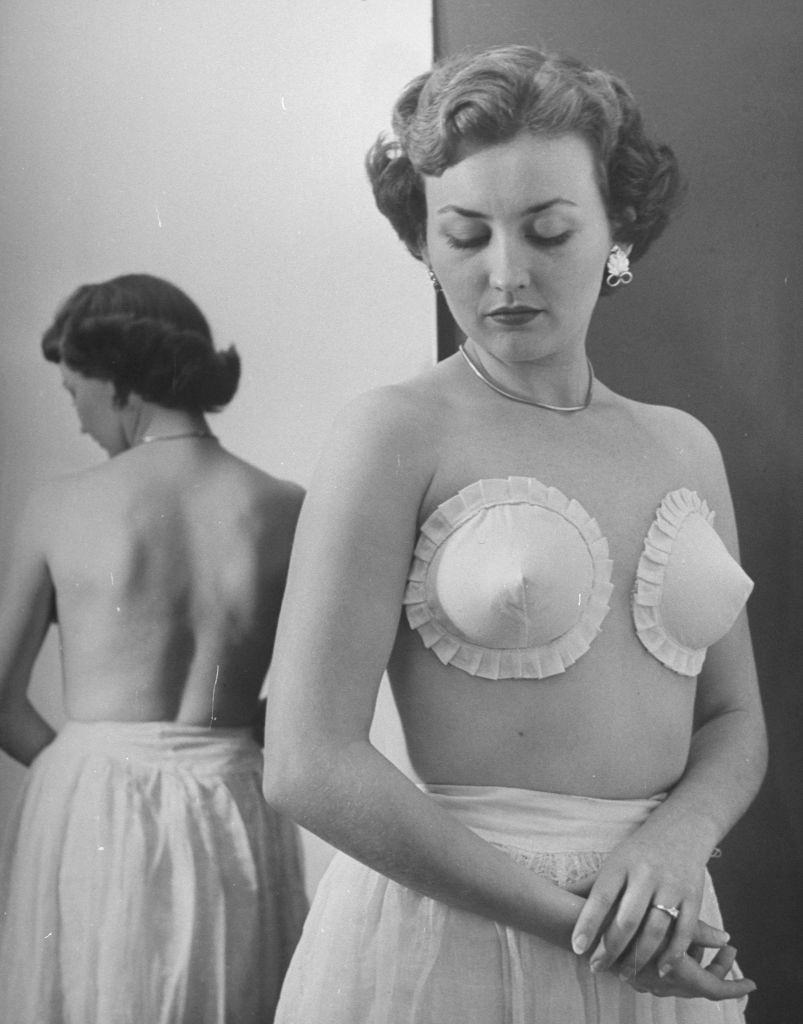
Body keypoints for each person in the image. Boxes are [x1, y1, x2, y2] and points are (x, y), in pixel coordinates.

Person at [262, 45, 767, 1023]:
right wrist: (577, 925)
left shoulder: (682, 446)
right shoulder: (394, 431)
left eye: (545, 231)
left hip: (657, 919)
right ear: (424, 240)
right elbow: (307, 758)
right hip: (458, 936)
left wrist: (672, 846)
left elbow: (731, 718)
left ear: (616, 229)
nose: (504, 275)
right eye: (462, 235)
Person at [0, 273, 307, 1023]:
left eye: (76, 394)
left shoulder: (61, 504)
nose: (78, 421)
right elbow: (312, 699)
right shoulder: (287, 508)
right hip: (230, 791)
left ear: (118, 383)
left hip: (94, 800)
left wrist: (84, 766)